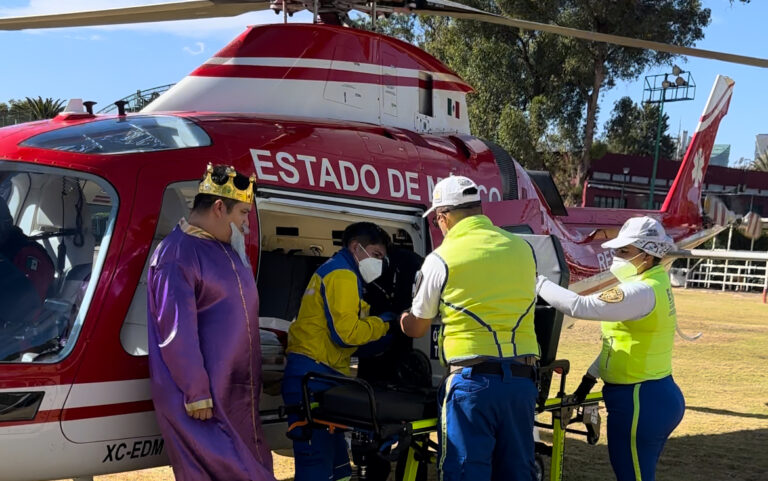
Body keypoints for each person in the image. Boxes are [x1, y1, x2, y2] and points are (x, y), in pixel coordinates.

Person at [400, 175, 540, 481]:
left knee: (466, 472)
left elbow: (418, 327)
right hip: (521, 383)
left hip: (472, 384)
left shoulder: (441, 259)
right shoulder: (522, 250)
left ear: (445, 216)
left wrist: (403, 318)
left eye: (437, 220)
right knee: (517, 472)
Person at [146, 164, 275, 481]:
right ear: (220, 207)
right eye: (243, 214)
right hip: (204, 401)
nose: (245, 224)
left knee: (253, 464)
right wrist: (196, 391)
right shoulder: (177, 254)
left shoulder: (225, 250)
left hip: (236, 396)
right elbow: (177, 331)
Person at [537, 216, 685, 481]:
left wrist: (537, 281)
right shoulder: (653, 283)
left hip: (640, 401)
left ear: (648, 254)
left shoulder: (641, 291)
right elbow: (615, 344)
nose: (616, 257)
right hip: (651, 396)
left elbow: (578, 307)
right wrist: (587, 382)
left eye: (625, 251)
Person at [282, 221, 395, 481]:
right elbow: (347, 334)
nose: (379, 262)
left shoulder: (336, 272)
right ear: (357, 248)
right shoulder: (342, 275)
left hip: (323, 375)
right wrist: (384, 324)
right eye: (376, 255)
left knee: (338, 467)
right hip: (313, 378)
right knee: (317, 464)